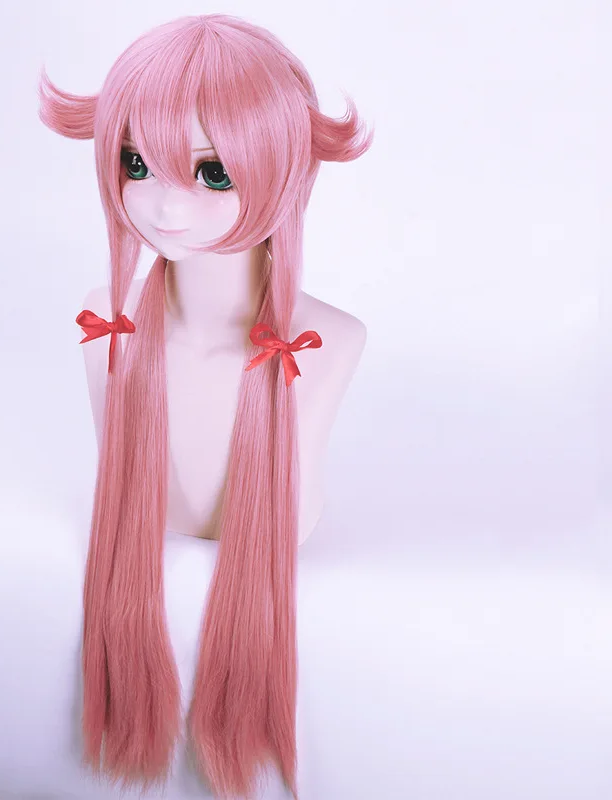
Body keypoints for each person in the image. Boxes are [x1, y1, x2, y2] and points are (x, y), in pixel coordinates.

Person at [38, 13, 373, 799]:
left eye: (213, 173)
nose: (167, 208)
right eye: (138, 164)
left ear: (283, 169)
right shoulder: (106, 325)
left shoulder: (329, 343)